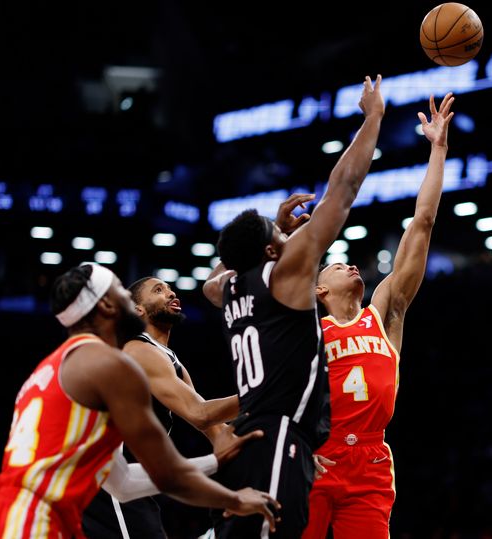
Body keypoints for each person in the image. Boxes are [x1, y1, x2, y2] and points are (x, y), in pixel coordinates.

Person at [0, 262, 280, 539]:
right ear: (107, 306)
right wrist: (234, 500)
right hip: (28, 523)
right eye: (118, 288)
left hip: (3, 520)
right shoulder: (111, 365)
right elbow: (168, 472)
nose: (126, 293)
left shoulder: (55, 367)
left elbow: (123, 483)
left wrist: (215, 461)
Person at [202, 74, 386, 538]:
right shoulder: (282, 277)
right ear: (269, 254)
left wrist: (271, 234)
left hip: (256, 438)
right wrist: (373, 118)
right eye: (279, 236)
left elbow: (211, 277)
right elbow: (342, 189)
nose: (288, 238)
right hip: (278, 437)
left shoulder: (228, 291)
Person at [301, 92, 455, 539]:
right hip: (317, 454)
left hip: (369, 462)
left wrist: (438, 150)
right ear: (319, 289)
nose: (351, 265)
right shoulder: (308, 328)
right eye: (336, 264)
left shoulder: (384, 313)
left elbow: (422, 222)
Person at [82, 276, 245, 539]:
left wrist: (277, 443)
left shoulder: (170, 360)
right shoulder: (138, 349)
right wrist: (264, 391)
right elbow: (200, 414)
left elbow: (217, 431)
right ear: (138, 310)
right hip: (109, 484)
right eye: (158, 290)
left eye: (170, 289)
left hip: (134, 483)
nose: (170, 293)